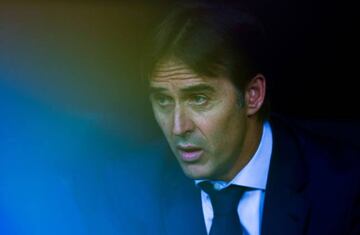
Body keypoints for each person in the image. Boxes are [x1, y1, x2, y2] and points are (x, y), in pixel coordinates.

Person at [74, 2, 359, 235]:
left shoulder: (344, 186)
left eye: (199, 98)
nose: (178, 127)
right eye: (163, 100)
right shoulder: (127, 189)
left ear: (253, 95)